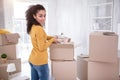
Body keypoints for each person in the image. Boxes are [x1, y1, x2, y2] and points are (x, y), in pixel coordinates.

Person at [25, 4, 56, 80]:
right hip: (40, 62)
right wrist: (52, 40)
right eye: (40, 16)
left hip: (32, 60)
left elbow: (41, 37)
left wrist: (52, 37)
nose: (43, 18)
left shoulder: (33, 26)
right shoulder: (39, 29)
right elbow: (42, 47)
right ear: (34, 16)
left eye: (44, 16)